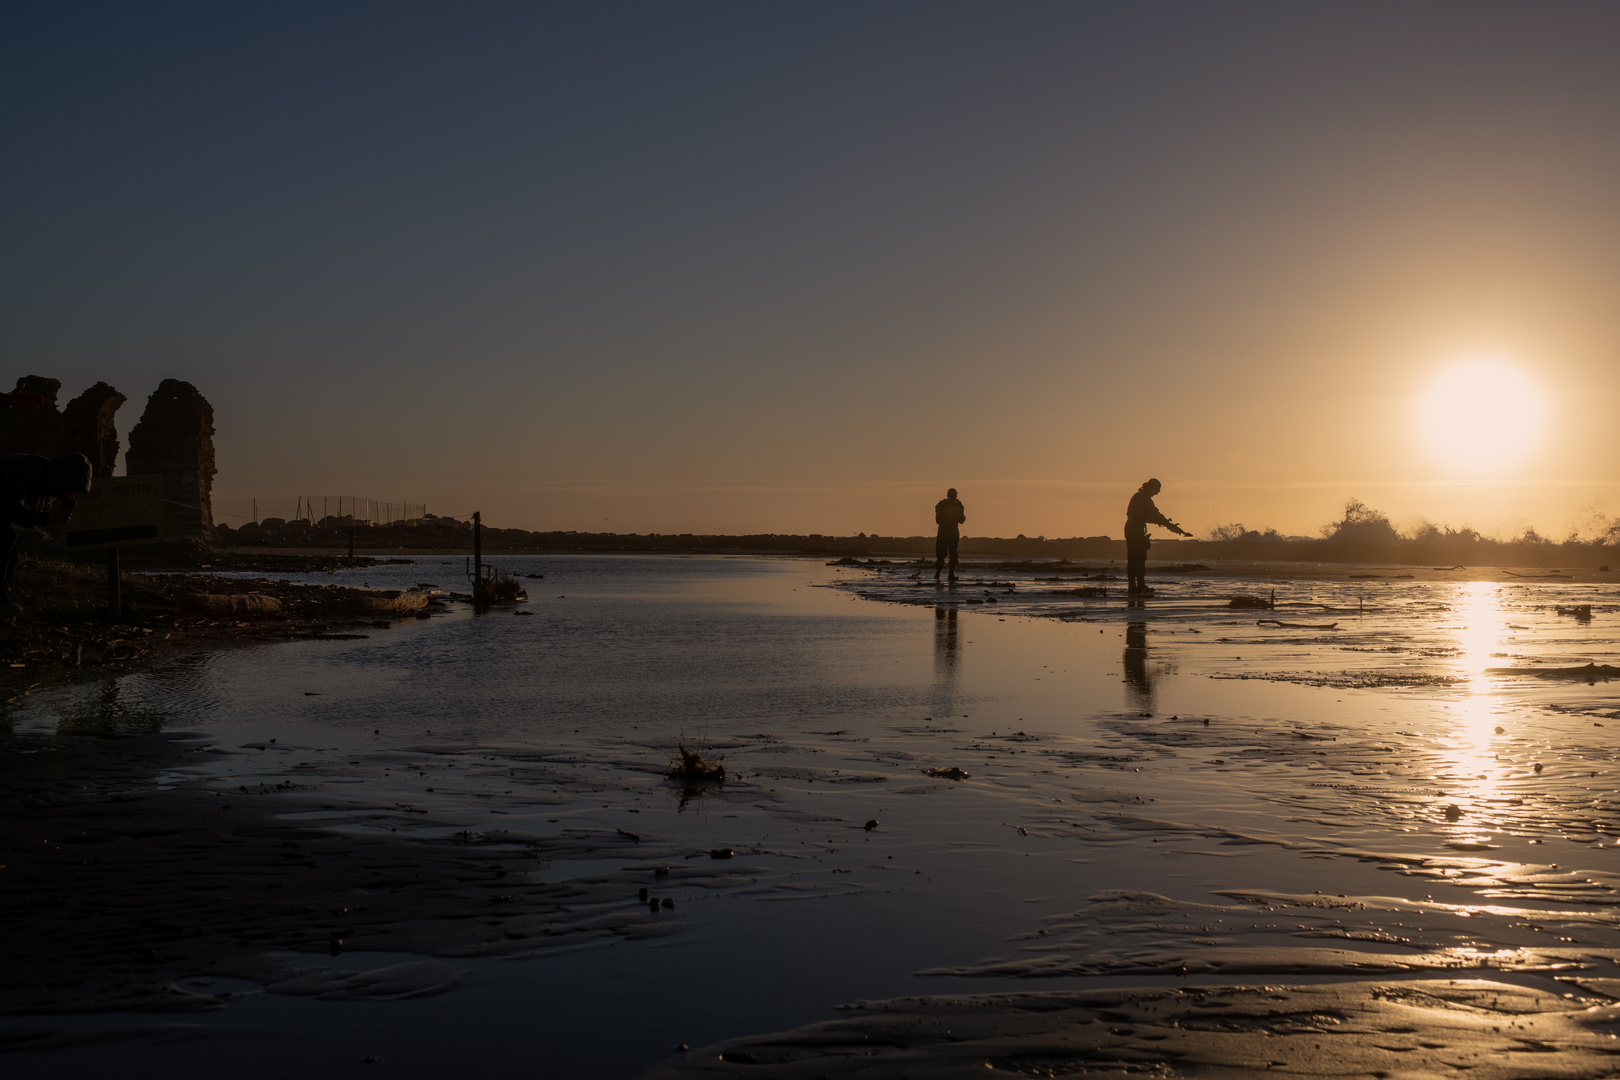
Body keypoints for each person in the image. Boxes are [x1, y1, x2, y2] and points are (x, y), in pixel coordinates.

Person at [0, 453, 93, 618]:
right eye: (71, 488)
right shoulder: (28, 469)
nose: (69, 493)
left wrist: (49, 517)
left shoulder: (48, 489)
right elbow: (10, 507)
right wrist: (45, 517)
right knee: (5, 539)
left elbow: (26, 521)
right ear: (64, 476)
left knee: (11, 550)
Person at [1123, 477, 1188, 596]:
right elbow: (1154, 514)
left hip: (1132, 528)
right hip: (1136, 529)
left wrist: (1166, 523)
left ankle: (1134, 587)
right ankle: (1139, 587)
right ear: (1151, 487)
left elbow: (1149, 515)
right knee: (1139, 558)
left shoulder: (1140, 496)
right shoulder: (1144, 498)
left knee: (1133, 559)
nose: (1158, 492)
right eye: (1157, 489)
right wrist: (1170, 526)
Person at [933, 487, 966, 582]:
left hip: (948, 533)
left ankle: (943, 574)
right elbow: (962, 520)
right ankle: (943, 574)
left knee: (946, 554)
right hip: (949, 532)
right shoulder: (953, 505)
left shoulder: (953, 505)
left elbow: (961, 519)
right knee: (947, 554)